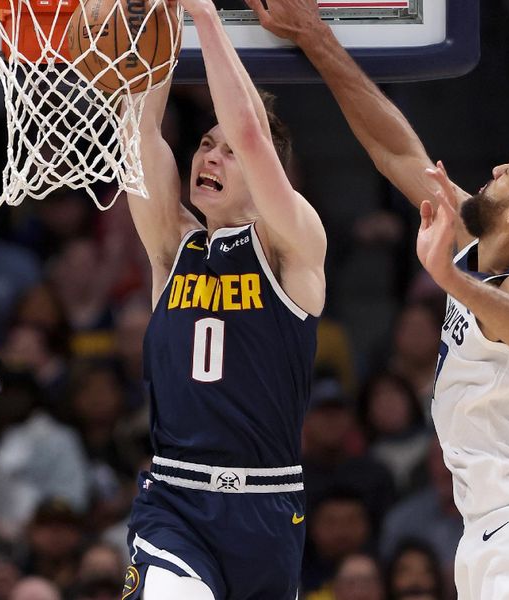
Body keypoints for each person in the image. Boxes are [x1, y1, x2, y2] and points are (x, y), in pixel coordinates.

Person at [246, 0, 509, 597]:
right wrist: (315, 38)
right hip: (500, 529)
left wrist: (450, 278)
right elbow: (394, 149)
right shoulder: (476, 243)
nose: (497, 166)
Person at [122, 0, 327, 596]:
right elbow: (137, 134)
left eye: (226, 151)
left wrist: (204, 14)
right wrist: (159, 23)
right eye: (205, 144)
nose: (210, 155)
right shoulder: (172, 245)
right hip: (175, 502)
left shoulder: (293, 247)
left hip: (265, 507)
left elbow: (254, 137)